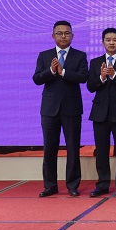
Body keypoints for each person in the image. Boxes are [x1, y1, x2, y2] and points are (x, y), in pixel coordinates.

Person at [32, 21, 89, 197]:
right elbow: (37, 78)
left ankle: (72, 185)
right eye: (59, 33)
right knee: (49, 148)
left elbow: (83, 77)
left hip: (72, 109)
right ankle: (50, 185)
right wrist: (51, 70)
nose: (63, 36)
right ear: (53, 36)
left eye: (67, 33)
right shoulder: (44, 55)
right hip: (49, 110)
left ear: (72, 35)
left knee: (73, 148)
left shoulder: (80, 56)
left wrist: (63, 72)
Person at [86, 28, 116, 198]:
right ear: (102, 42)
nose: (111, 42)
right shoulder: (95, 62)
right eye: (108, 40)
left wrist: (114, 75)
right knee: (101, 151)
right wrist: (101, 77)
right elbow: (90, 86)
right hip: (100, 113)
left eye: (115, 40)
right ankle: (102, 184)